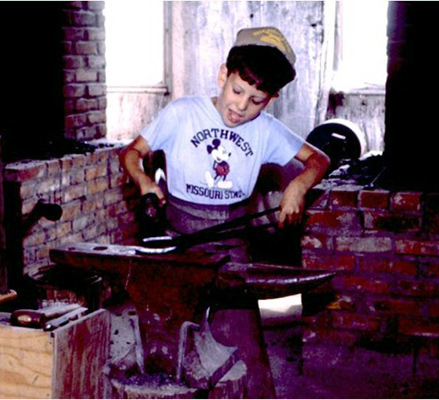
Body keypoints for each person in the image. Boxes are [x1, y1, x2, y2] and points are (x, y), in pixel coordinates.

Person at [120, 27, 330, 398]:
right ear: (223, 75)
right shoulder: (183, 113)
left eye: (256, 100)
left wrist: (297, 186)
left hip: (232, 246)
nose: (241, 106)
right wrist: (145, 182)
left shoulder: (265, 130)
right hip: (179, 243)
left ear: (271, 100)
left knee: (243, 349)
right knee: (172, 349)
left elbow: (319, 159)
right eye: (237, 91)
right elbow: (131, 154)